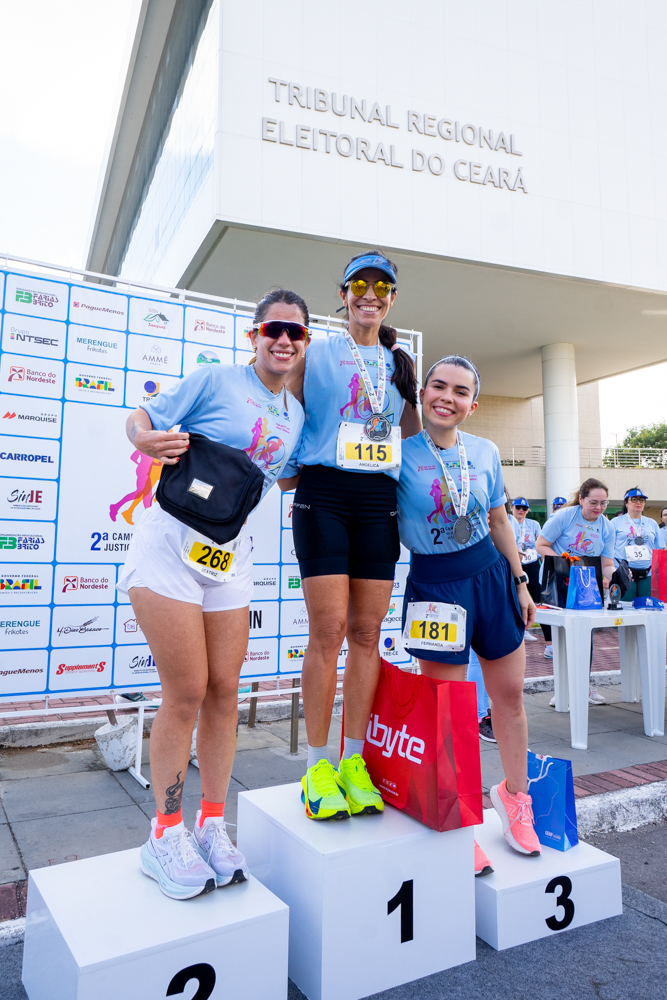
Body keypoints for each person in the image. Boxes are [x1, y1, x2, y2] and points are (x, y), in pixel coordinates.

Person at [116, 289, 308, 899]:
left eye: (295, 334)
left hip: (233, 562)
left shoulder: (297, 416)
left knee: (226, 690)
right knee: (187, 691)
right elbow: (140, 417)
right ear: (255, 334)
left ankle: (211, 826)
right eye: (274, 328)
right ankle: (164, 834)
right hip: (169, 550)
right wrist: (145, 440)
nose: (283, 340)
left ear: (303, 345)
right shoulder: (212, 379)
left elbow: (290, 472)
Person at [280, 249, 421, 822]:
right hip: (324, 493)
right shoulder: (315, 350)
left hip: (378, 501)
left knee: (367, 632)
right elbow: (276, 400)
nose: (370, 293)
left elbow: (412, 436)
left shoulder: (400, 360)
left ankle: (354, 760)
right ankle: (318, 764)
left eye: (381, 286)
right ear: (343, 293)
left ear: (392, 298)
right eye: (358, 284)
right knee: (329, 629)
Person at [397, 355, 541, 876]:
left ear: (472, 405)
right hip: (435, 585)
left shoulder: (486, 450)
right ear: (423, 392)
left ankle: (515, 798)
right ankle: (458, 813)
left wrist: (521, 581)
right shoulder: (398, 452)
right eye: (438, 386)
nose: (447, 397)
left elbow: (499, 519)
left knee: (508, 697)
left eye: (460, 391)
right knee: (450, 709)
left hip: (491, 577)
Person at [535, 478, 615, 706]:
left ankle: (584, 685)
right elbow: (541, 545)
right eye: (593, 502)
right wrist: (564, 562)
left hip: (586, 584)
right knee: (560, 635)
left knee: (584, 634)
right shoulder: (564, 516)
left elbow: (606, 562)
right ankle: (561, 688)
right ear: (581, 499)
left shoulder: (606, 526)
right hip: (558, 582)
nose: (598, 508)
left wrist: (611, 577)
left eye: (603, 503)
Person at [611, 488, 664, 599]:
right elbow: (608, 548)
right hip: (624, 571)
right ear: (626, 502)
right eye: (634, 499)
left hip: (648, 572)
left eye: (642, 500)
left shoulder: (652, 523)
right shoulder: (615, 522)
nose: (638, 502)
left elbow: (660, 549)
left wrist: (661, 573)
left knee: (648, 608)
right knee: (626, 609)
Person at [510, 497, 543, 643]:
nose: (521, 510)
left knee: (537, 595)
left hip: (531, 562)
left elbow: (540, 542)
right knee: (516, 596)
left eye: (524, 508)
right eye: (518, 507)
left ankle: (539, 630)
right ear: (512, 508)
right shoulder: (509, 522)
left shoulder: (533, 524)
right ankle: (521, 629)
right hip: (515, 562)